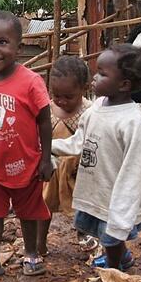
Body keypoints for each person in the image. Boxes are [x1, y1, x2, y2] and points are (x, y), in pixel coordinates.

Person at [0, 11, 54, 281]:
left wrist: (46, 159)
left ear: (19, 46)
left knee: (29, 211)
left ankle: (31, 253)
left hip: (26, 161)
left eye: (2, 42)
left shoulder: (31, 81)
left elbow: (44, 121)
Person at [53, 44, 141, 271]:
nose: (94, 78)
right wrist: (51, 147)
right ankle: (121, 258)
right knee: (105, 233)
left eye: (102, 74)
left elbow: (134, 171)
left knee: (112, 235)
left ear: (124, 84)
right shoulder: (97, 107)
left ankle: (113, 269)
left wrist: (124, 206)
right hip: (97, 188)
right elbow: (80, 141)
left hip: (117, 194)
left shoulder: (133, 122)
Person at [37, 55, 91, 257]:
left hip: (80, 170)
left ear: (84, 89)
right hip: (50, 169)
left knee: (84, 208)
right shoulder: (47, 110)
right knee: (44, 206)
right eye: (56, 95)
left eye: (69, 97)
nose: (62, 101)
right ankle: (40, 243)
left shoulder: (89, 112)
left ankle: (85, 236)